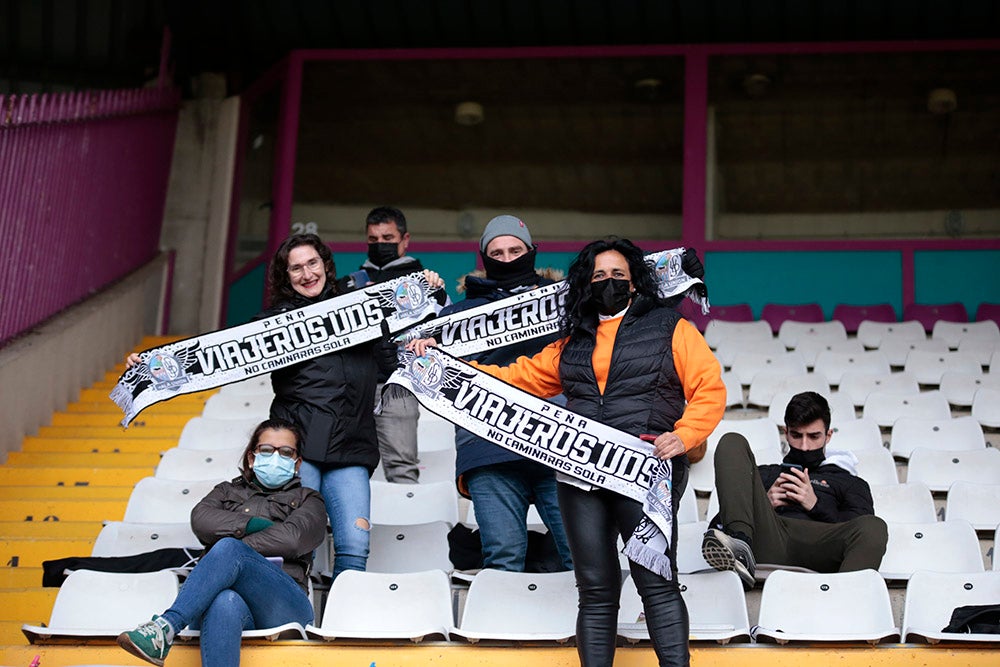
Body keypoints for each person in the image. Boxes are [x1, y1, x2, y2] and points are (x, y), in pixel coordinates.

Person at [410, 236, 726, 667]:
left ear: (636, 282)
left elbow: (709, 389)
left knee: (656, 582)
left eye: (618, 275)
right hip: (582, 475)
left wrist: (684, 435)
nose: (609, 283)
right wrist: (444, 362)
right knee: (595, 588)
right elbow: (517, 376)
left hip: (646, 472)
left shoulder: (671, 328)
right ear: (585, 283)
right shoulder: (574, 338)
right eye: (599, 276)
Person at [117, 418, 327, 667]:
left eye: (286, 452)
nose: (275, 457)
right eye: (267, 450)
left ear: (296, 463)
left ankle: (166, 627)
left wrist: (233, 551)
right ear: (252, 458)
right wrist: (255, 526)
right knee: (223, 602)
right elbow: (201, 520)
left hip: (284, 603)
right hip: (223, 598)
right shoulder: (226, 491)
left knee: (227, 548)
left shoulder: (310, 500)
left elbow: (293, 540)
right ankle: (166, 630)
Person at [442, 214, 572, 572]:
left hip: (558, 443)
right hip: (487, 448)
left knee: (580, 555)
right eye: (496, 253)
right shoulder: (457, 315)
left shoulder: (565, 306)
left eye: (516, 250)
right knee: (503, 558)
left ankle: (585, 631)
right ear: (484, 259)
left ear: (532, 251)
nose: (507, 258)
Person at [702, 391, 888, 589]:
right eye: (797, 436)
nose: (805, 446)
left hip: (820, 546)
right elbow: (717, 528)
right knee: (732, 441)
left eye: (814, 436)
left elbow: (863, 531)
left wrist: (815, 505)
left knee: (875, 527)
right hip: (768, 538)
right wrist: (765, 503)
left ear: (828, 435)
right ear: (786, 433)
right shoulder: (764, 474)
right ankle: (741, 551)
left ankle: (841, 603)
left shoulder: (849, 482)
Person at [346, 206, 448, 483]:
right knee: (346, 467)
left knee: (401, 468)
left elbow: (445, 328)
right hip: (356, 386)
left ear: (405, 240)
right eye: (373, 240)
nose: (380, 245)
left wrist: (438, 293)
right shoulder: (352, 284)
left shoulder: (426, 282)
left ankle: (406, 526)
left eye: (388, 239)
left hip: (399, 385)